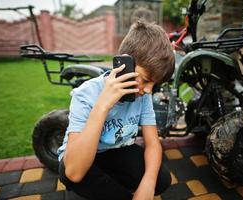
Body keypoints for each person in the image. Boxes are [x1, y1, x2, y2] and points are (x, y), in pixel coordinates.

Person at [57, 20, 175, 200]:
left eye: (154, 83)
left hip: (116, 150)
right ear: (123, 65)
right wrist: (103, 104)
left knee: (161, 179)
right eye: (144, 80)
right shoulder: (85, 94)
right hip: (82, 153)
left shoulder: (142, 95)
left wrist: (148, 183)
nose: (149, 90)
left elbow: (152, 143)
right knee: (73, 175)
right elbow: (74, 171)